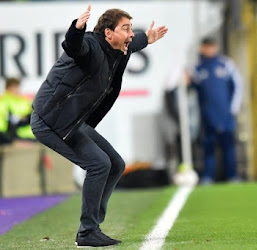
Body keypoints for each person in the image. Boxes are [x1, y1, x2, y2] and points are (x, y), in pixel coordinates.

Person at [30, 5, 167, 248]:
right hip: (51, 120)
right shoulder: (91, 46)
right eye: (126, 28)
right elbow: (74, 46)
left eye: (131, 29)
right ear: (107, 33)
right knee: (99, 164)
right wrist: (77, 28)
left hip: (71, 120)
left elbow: (133, 44)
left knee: (116, 164)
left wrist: (149, 37)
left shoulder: (119, 48)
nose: (131, 33)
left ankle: (93, 225)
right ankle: (88, 231)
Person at [188, 37, 243, 185]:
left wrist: (233, 108)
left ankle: (232, 176)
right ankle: (208, 176)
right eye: (207, 47)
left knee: (229, 147)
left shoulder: (226, 64)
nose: (210, 50)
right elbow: (190, 87)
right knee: (208, 147)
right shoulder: (197, 68)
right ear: (202, 48)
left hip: (226, 114)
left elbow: (238, 85)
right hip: (207, 116)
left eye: (212, 46)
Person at [0, 77, 35, 144]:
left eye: (17, 87)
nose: (16, 90)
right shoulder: (3, 101)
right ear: (7, 88)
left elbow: (31, 116)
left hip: (31, 136)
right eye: (13, 88)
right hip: (12, 138)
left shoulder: (25, 101)